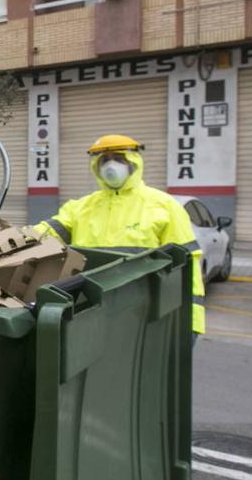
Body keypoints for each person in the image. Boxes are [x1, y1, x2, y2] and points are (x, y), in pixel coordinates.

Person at [35, 134, 205, 342]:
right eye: (104, 160)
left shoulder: (164, 207)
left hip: (143, 313)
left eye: (118, 158)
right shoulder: (81, 208)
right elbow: (43, 232)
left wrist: (192, 320)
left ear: (133, 162)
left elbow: (188, 265)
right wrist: (1, 240)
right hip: (89, 312)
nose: (111, 165)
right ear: (96, 166)